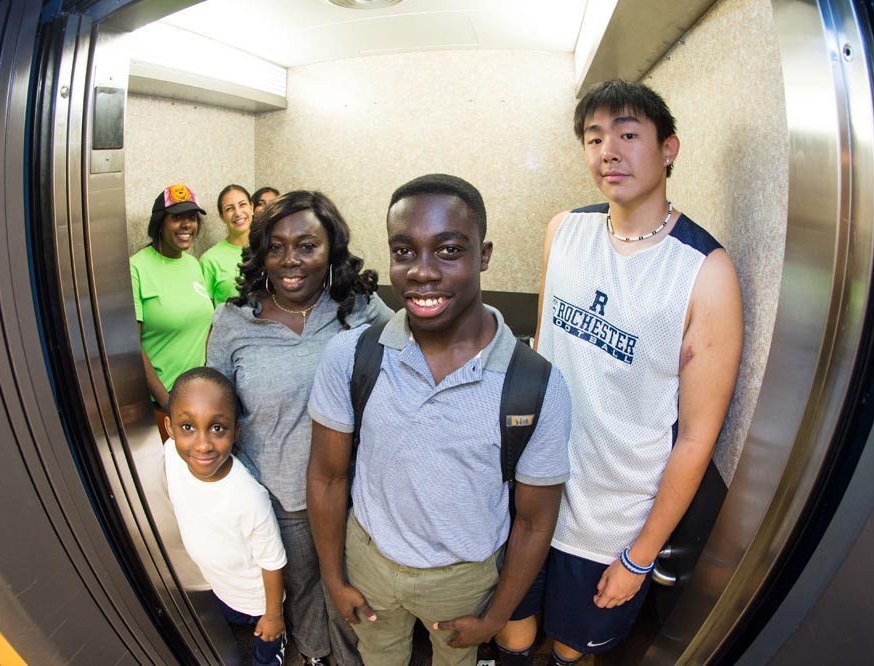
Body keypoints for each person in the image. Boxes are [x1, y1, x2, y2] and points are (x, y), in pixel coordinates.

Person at [495, 81, 744, 665]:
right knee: (511, 627)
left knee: (568, 647)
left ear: (669, 149)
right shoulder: (564, 231)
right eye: (595, 137)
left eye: (629, 134)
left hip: (610, 518)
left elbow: (698, 436)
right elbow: (542, 354)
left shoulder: (705, 273)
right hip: (530, 491)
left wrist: (641, 554)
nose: (610, 150)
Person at [306, 174, 572, 666]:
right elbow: (327, 475)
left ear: (483, 254)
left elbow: (535, 522)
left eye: (448, 251)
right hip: (369, 560)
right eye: (404, 251)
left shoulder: (534, 384)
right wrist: (334, 576)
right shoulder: (352, 356)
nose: (422, 272)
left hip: (464, 578)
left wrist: (496, 617)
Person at [207, 190, 392, 666]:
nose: (290, 260)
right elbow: (216, 410)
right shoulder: (233, 322)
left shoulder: (359, 308)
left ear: (331, 249)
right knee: (304, 593)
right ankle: (312, 656)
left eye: (307, 246)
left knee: (353, 596)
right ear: (261, 253)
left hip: (352, 492)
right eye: (276, 246)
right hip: (278, 496)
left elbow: (415, 355)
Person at [163, 367, 288, 666]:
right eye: (188, 427)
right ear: (169, 428)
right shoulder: (170, 455)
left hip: (257, 600)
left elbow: (272, 562)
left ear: (236, 431)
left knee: (266, 646)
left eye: (217, 428)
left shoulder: (248, 496)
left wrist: (273, 615)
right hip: (216, 586)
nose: (203, 444)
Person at [130, 183, 215, 437]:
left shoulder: (193, 264)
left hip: (196, 398)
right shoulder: (137, 268)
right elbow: (130, 348)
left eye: (192, 217)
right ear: (160, 223)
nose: (187, 224)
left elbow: (205, 324)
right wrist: (167, 402)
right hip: (159, 406)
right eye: (177, 217)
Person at [201, 184, 253, 305]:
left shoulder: (268, 249)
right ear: (222, 217)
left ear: (252, 207)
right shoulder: (210, 260)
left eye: (242, 205)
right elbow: (206, 313)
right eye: (229, 208)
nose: (238, 213)